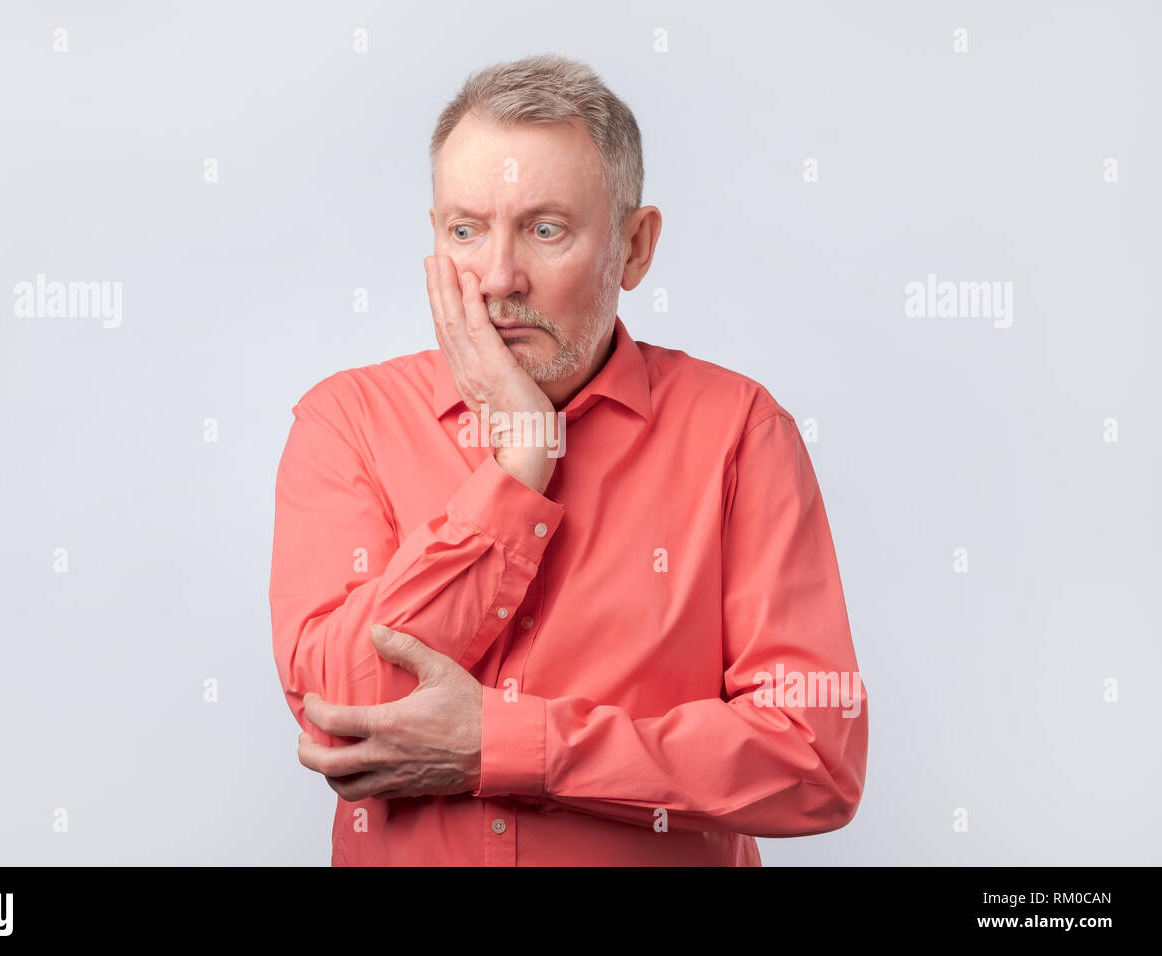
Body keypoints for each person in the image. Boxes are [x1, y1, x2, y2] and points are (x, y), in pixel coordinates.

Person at [269, 52, 868, 866]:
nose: (498, 278)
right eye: (466, 230)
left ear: (635, 248)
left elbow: (812, 758)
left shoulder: (739, 432)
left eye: (546, 229)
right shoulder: (348, 422)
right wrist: (517, 468)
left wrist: (514, 746)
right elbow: (338, 711)